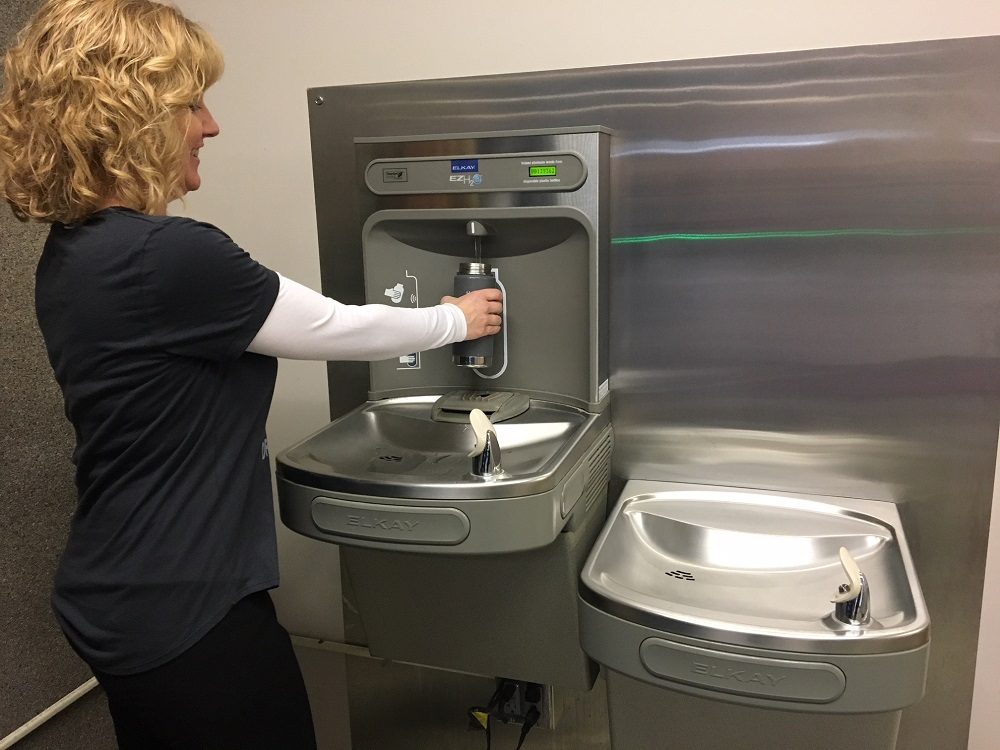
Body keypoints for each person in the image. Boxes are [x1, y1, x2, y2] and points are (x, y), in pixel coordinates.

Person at [0, 1, 503, 748]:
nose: (211, 125)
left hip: (122, 588)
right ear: (130, 112)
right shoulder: (167, 255)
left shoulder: (74, 251)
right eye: (192, 103)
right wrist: (458, 320)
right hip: (185, 607)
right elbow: (334, 326)